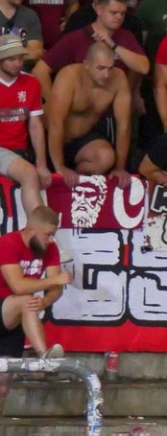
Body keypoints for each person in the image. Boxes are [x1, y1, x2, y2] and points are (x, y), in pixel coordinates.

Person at [47, 39, 127, 174]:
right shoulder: (70, 76)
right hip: (50, 139)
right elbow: (55, 123)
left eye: (110, 68)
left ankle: (79, 178)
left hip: (81, 140)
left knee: (105, 157)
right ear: (86, 64)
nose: (106, 75)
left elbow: (124, 125)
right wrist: (59, 166)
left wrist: (120, 168)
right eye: (101, 68)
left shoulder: (118, 78)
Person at [42, 0, 149, 81]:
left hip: (116, 93)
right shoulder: (76, 38)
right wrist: (54, 95)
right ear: (99, 10)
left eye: (122, 13)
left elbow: (144, 68)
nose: (119, 17)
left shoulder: (127, 36)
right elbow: (41, 70)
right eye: (113, 12)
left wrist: (113, 46)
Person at [0, 204, 65, 361]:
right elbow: (18, 286)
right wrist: (54, 280)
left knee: (5, 376)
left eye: (53, 235)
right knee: (27, 301)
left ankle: (45, 359)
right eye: (48, 235)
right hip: (6, 305)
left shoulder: (50, 248)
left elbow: (57, 288)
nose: (51, 240)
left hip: (15, 318)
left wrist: (45, 301)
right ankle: (44, 356)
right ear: (31, 230)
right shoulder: (8, 243)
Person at [0, 32, 48, 211]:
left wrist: (42, 164)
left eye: (20, 58)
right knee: (28, 174)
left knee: (32, 173)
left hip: (21, 150)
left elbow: (35, 126)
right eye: (12, 59)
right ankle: (38, 226)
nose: (18, 63)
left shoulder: (31, 83)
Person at [0, 0, 47, 70]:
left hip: (22, 74)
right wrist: (21, 53)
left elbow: (35, 53)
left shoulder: (30, 16)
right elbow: (30, 53)